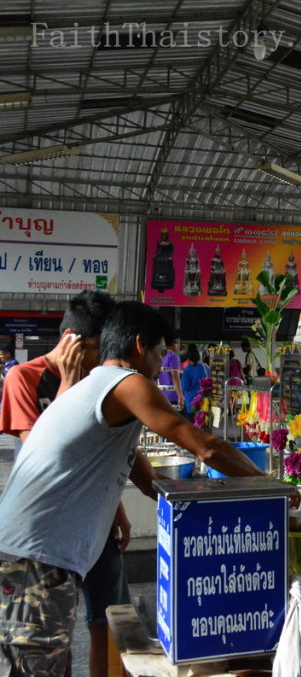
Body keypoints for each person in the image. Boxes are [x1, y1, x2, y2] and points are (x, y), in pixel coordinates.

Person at [0, 301, 274, 677]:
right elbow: (206, 446)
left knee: (50, 665)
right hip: (35, 555)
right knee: (36, 669)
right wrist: (272, 490)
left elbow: (151, 483)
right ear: (140, 345)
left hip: (38, 553)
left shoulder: (99, 386)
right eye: (162, 353)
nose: (163, 365)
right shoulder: (127, 384)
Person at [0, 290, 124, 677]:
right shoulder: (25, 377)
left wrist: (116, 510)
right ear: (74, 341)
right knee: (45, 637)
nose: (103, 362)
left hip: (93, 520)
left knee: (111, 615)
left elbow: (100, 456)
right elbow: (46, 450)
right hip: (48, 530)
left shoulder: (98, 381)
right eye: (98, 350)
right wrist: (69, 385)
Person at [181, 348, 211, 421]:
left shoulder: (188, 370)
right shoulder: (205, 367)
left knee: (192, 425)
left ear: (188, 358)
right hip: (204, 402)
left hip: (191, 402)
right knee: (203, 424)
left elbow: (184, 387)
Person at [157, 337, 184, 412]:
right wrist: (180, 395)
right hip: (171, 396)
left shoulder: (160, 356)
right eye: (176, 343)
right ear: (171, 345)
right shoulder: (173, 357)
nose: (177, 345)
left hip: (160, 395)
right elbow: (175, 376)